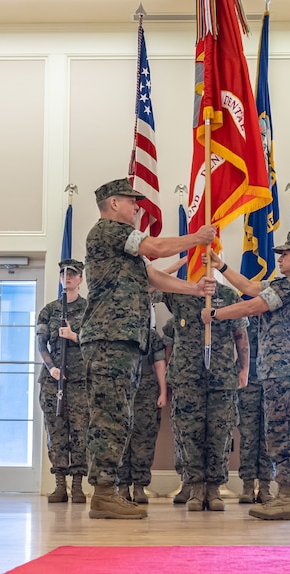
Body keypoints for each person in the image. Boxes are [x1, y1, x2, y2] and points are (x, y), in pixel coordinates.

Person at [79, 177, 216, 520]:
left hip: (122, 339)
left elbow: (152, 275)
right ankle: (104, 493)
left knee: (119, 416)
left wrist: (194, 289)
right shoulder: (107, 230)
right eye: (131, 201)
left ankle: (108, 491)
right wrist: (197, 238)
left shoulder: (123, 246)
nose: (137, 206)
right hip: (109, 338)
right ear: (113, 204)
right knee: (109, 417)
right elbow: (154, 249)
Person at [202, 231, 290, 520]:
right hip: (279, 370)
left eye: (285, 254)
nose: (280, 258)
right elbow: (251, 288)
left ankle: (287, 498)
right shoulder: (284, 283)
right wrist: (221, 266)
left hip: (288, 369)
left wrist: (216, 315)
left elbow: (253, 306)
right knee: (277, 433)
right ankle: (283, 496)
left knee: (284, 434)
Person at [162, 282, 249, 512]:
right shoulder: (178, 291)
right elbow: (150, 286)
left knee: (220, 434)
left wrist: (244, 368)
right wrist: (181, 260)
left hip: (221, 377)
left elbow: (240, 334)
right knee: (189, 434)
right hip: (187, 377)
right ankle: (196, 487)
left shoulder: (228, 294)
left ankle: (213, 489)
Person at [36, 259, 88, 504]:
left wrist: (74, 336)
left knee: (80, 432)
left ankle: (77, 485)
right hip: (54, 381)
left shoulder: (89, 309)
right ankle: (60, 485)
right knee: (55, 432)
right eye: (63, 273)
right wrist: (52, 367)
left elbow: (96, 343)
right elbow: (40, 343)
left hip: (80, 381)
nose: (67, 277)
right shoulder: (50, 310)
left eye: (72, 274)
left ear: (80, 279)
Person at [116, 321, 167, 505]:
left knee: (144, 440)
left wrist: (163, 391)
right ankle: (122, 486)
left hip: (146, 391)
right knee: (120, 438)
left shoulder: (151, 336)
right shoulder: (118, 332)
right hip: (121, 390)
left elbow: (159, 364)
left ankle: (139, 486)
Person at [236, 316, 275, 504]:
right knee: (248, 435)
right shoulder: (244, 319)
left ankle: (265, 486)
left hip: (272, 379)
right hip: (249, 380)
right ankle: (248, 486)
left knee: (269, 435)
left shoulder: (276, 318)